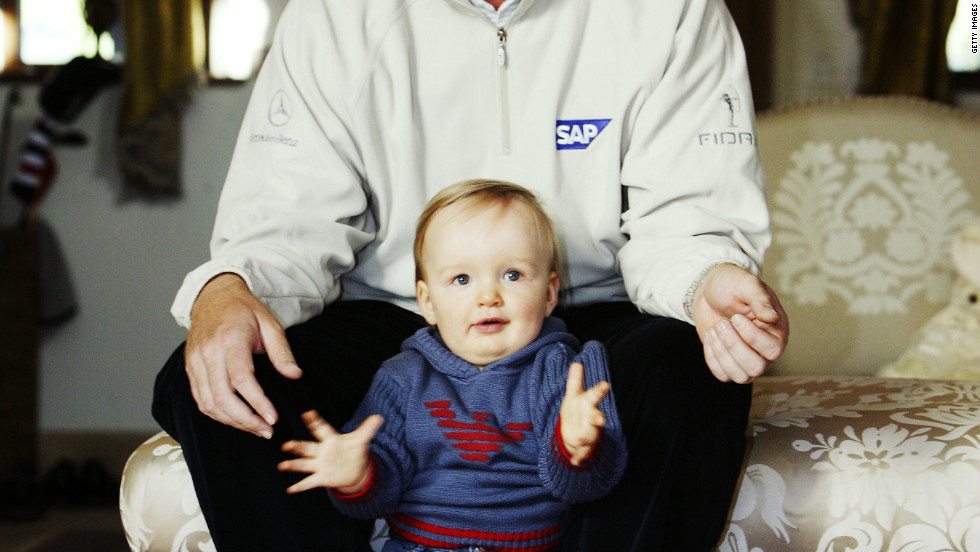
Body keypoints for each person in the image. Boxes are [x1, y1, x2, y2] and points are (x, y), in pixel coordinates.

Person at [151, 0, 790, 550]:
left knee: (689, 366)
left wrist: (707, 278)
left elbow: (688, 222)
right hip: (401, 313)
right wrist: (228, 286)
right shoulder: (333, 14)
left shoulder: (674, 11)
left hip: (595, 312)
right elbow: (285, 224)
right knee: (222, 373)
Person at [276, 180, 627, 552]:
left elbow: (586, 489)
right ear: (427, 302)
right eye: (462, 279)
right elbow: (376, 500)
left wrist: (578, 448)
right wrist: (356, 475)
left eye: (513, 275)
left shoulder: (566, 374)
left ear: (549, 294)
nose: (488, 296)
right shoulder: (403, 377)